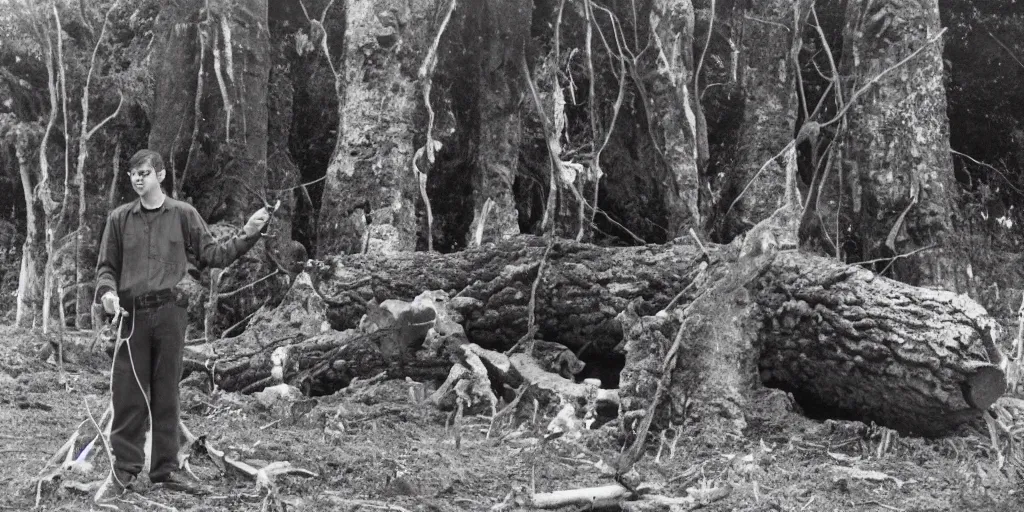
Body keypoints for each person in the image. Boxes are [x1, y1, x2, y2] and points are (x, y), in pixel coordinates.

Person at [94, 149, 270, 499]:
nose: (138, 179)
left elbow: (214, 255)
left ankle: (165, 471)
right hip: (131, 316)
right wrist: (107, 295)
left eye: (144, 173)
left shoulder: (184, 214)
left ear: (160, 175)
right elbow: (105, 270)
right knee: (128, 393)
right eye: (133, 174)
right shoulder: (119, 219)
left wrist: (249, 232)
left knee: (166, 394)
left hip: (171, 312)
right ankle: (124, 471)